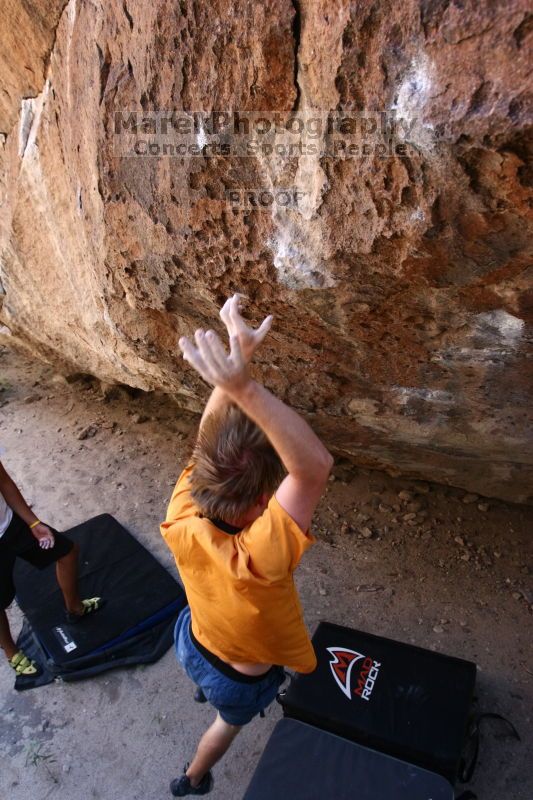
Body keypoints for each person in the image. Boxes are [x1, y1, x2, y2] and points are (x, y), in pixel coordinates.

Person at [161, 294, 333, 797]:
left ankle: (200, 701)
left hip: (190, 640)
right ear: (265, 499)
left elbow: (206, 442)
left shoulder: (184, 507)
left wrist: (237, 361)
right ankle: (191, 778)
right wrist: (244, 386)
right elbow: (314, 467)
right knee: (224, 724)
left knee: (209, 684)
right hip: (237, 677)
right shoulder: (258, 560)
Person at [0, 458, 103, 677]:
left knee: (67, 552)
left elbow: (4, 482)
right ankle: (11, 652)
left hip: (10, 524)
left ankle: (74, 608)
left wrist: (34, 523)